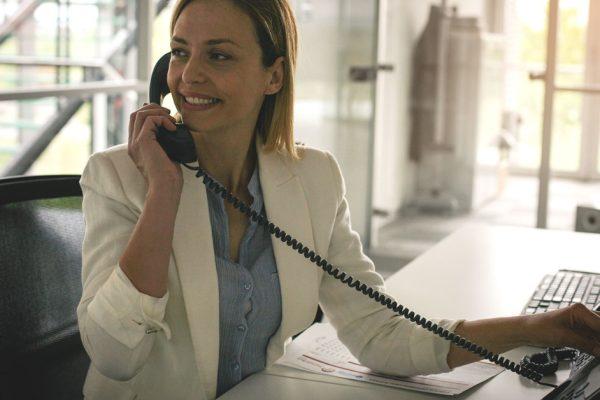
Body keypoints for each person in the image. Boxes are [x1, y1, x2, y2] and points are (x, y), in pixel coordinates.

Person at [77, 0, 600, 399]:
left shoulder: (314, 179)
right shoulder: (119, 178)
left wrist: (536, 327)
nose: (189, 75)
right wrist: (164, 193)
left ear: (273, 76)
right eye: (180, 52)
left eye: (219, 55)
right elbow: (115, 356)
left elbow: (380, 336)